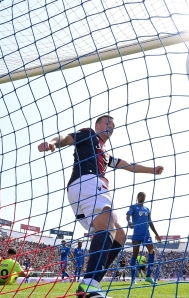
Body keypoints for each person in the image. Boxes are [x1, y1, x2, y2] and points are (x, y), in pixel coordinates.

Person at [38, 115, 164, 298]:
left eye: (113, 125)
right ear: (97, 126)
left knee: (119, 235)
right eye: (108, 123)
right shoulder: (89, 135)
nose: (111, 127)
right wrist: (52, 143)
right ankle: (89, 284)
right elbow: (66, 137)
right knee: (106, 225)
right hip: (88, 182)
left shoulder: (105, 154)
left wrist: (151, 170)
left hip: (83, 190)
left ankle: (91, 285)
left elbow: (128, 165)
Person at [126, 192, 161, 285]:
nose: (142, 197)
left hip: (146, 234)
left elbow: (150, 222)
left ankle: (148, 277)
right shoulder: (133, 207)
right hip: (137, 234)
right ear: (137, 197)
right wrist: (129, 222)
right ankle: (133, 278)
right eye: (140, 195)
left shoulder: (147, 209)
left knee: (152, 251)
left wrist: (156, 234)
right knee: (135, 254)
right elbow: (128, 215)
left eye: (144, 196)